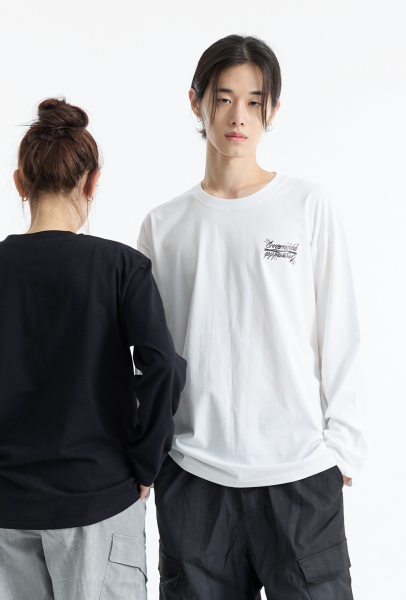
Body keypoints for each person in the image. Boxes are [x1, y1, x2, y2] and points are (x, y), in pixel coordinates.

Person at [137, 34, 367, 599]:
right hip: (194, 478)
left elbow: (341, 330)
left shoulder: (308, 206)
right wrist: (153, 456)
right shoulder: (163, 227)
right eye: (223, 98)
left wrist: (341, 450)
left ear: (273, 110)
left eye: (254, 101)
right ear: (196, 101)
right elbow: (146, 359)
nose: (238, 116)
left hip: (300, 476)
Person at [0, 97, 187, 600]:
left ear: (20, 183)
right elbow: (163, 368)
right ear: (92, 183)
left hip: (7, 509)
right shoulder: (121, 268)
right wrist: (145, 463)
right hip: (99, 500)